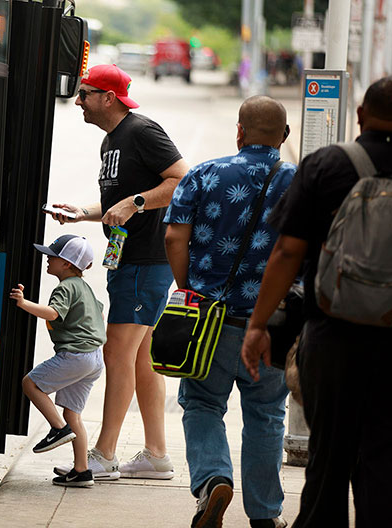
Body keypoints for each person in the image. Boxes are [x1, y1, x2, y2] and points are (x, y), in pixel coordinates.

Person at [241, 76, 392, 527]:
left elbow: (287, 251)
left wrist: (258, 325)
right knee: (384, 458)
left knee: (329, 456)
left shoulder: (329, 164)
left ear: (360, 115)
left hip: (335, 334)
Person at [49, 64, 188, 481]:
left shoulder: (142, 131)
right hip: (128, 260)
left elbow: (181, 180)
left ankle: (105, 453)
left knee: (116, 352)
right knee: (142, 359)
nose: (78, 102)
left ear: (108, 98)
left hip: (146, 261)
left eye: (86, 94)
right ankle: (157, 456)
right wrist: (82, 213)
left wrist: (137, 203)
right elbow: (116, 205)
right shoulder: (111, 140)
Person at [164, 96, 295, 528]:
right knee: (267, 414)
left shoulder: (205, 173)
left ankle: (212, 481)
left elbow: (173, 238)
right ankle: (264, 514)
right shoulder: (300, 183)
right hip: (272, 324)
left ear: (239, 131)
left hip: (209, 322)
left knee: (202, 403)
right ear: (286, 136)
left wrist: (189, 291)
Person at [10, 234, 106, 488]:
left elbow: (53, 313)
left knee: (30, 383)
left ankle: (58, 429)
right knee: (73, 414)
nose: (47, 259)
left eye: (52, 255)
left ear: (67, 263)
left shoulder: (65, 287)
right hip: (94, 358)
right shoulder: (84, 287)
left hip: (76, 356)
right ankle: (82, 470)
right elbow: (98, 311)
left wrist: (22, 303)